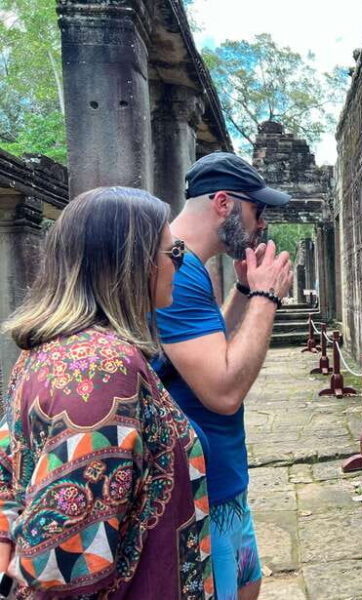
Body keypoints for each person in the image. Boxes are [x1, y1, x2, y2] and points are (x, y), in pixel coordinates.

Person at [0, 187, 213, 599]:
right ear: (134, 264)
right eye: (173, 254)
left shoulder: (47, 351)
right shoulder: (102, 372)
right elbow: (60, 566)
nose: (178, 266)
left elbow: (7, 473)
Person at [152, 152, 293, 600]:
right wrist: (267, 296)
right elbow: (223, 390)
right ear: (223, 203)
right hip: (198, 494)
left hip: (224, 485)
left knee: (249, 585)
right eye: (257, 209)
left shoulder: (190, 266)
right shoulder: (172, 268)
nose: (262, 224)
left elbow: (211, 349)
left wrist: (246, 289)